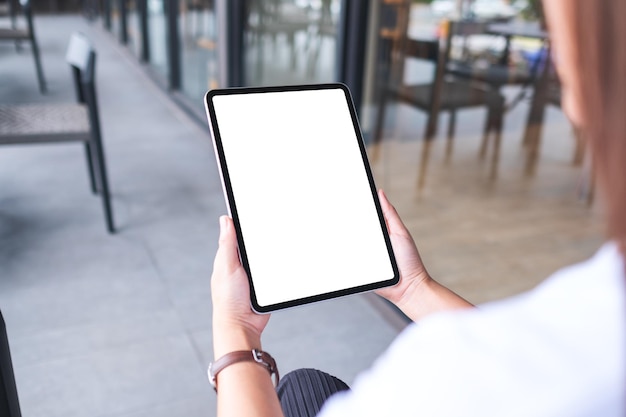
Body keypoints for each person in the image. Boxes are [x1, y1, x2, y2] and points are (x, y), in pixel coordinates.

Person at [209, 0, 626, 416]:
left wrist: (235, 333)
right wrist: (414, 289)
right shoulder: (594, 322)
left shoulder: (430, 379)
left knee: (301, 388)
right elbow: (530, 358)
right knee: (304, 386)